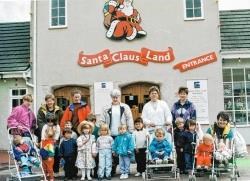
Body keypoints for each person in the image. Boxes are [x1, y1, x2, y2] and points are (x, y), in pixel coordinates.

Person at [100, 88, 134, 175]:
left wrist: (130, 131)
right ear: (111, 97)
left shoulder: (125, 107)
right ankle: (112, 170)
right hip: (110, 134)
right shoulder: (105, 108)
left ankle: (126, 170)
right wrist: (104, 132)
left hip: (123, 134)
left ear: (119, 97)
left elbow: (129, 119)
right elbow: (102, 121)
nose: (115, 99)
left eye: (117, 97)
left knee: (125, 152)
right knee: (113, 152)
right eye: (113, 97)